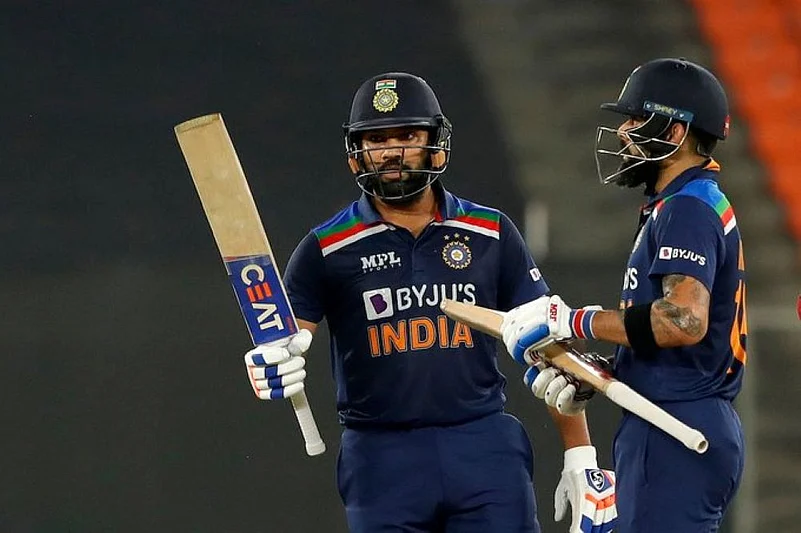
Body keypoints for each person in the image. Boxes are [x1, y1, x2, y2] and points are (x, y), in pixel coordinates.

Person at [242, 72, 617, 532]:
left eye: (407, 136)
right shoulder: (326, 247)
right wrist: (272, 362)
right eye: (377, 139)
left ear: (435, 144)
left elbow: (549, 345)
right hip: (380, 456)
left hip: (482, 444)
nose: (391, 151)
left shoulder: (491, 231)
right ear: (356, 152)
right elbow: (285, 341)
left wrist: (581, 455)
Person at [501, 58, 746, 532]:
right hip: (675, 418)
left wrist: (572, 320)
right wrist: (600, 371)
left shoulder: (686, 209)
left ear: (674, 132)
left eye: (636, 120)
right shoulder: (682, 203)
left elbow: (683, 321)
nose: (623, 133)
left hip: (675, 425)